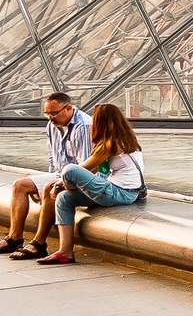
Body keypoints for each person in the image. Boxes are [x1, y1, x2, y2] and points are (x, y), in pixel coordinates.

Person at [0, 93, 90, 259]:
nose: (50, 118)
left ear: (68, 108)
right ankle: (14, 238)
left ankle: (39, 243)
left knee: (48, 187)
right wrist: (46, 180)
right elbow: (53, 159)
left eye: (54, 113)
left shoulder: (82, 126)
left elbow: (85, 167)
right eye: (47, 114)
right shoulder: (52, 124)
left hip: (78, 177)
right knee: (20, 185)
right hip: (60, 173)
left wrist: (55, 184)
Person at [36, 103, 146, 265]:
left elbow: (81, 168)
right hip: (124, 192)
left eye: (95, 119)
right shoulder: (125, 139)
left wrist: (60, 184)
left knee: (69, 169)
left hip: (120, 192)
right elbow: (93, 169)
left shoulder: (110, 143)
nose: (92, 123)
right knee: (64, 198)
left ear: (101, 122)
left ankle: (66, 188)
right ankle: (65, 252)